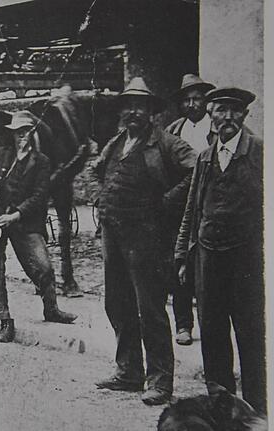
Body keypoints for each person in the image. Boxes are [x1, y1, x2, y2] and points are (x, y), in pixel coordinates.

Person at [92, 77, 196, 406]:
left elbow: (197, 171)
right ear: (122, 111)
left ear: (151, 112)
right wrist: (102, 199)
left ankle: (160, 381)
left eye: (141, 106)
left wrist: (167, 200)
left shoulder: (167, 143)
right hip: (114, 233)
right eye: (128, 106)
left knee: (149, 308)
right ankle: (129, 372)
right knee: (117, 304)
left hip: (147, 236)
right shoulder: (116, 142)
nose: (134, 111)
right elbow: (98, 171)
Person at [175, 87, 265, 414]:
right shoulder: (204, 157)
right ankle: (221, 408)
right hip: (208, 257)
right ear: (211, 115)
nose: (227, 118)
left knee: (251, 333)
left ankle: (258, 410)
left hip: (248, 260)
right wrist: (183, 255)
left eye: (234, 112)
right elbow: (191, 210)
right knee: (212, 332)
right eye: (221, 111)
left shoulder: (259, 152)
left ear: (243, 116)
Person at [0, 112, 77, 343]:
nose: (21, 136)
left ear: (32, 134)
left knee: (43, 266)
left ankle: (51, 308)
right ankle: (4, 321)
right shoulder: (0, 156)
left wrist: (15, 216)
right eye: (17, 132)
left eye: (26, 132)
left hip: (24, 221)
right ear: (11, 134)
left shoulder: (41, 161)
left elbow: (39, 196)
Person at [163, 74, 215, 346]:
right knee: (179, 262)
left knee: (207, 264)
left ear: (206, 101)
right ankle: (183, 325)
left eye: (197, 98)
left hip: (209, 204)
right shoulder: (173, 130)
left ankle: (211, 325)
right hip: (179, 206)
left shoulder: (217, 130)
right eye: (187, 100)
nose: (192, 104)